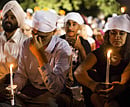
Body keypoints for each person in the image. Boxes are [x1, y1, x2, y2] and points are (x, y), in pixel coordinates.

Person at [13, 10, 72, 107]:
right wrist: (13, 88)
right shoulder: (26, 43)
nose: (37, 41)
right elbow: (21, 75)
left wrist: (40, 54)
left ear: (53, 32)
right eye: (35, 35)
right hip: (30, 92)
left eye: (43, 37)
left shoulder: (62, 47)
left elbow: (56, 88)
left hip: (52, 95)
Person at [74, 14, 130, 107]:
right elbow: (79, 72)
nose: (117, 37)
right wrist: (94, 85)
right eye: (113, 33)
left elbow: (124, 80)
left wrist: (119, 88)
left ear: (127, 36)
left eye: (121, 33)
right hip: (99, 94)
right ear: (108, 35)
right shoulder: (99, 53)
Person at [60, 12, 91, 107]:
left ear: (79, 27)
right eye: (68, 24)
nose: (70, 27)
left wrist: (80, 48)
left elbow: (87, 66)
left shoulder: (84, 43)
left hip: (79, 81)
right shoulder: (58, 41)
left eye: (74, 24)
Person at [0, 0, 27, 106]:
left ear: (19, 20)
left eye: (12, 17)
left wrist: (12, 88)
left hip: (17, 90)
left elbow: (24, 74)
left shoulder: (25, 42)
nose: (8, 20)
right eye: (6, 16)